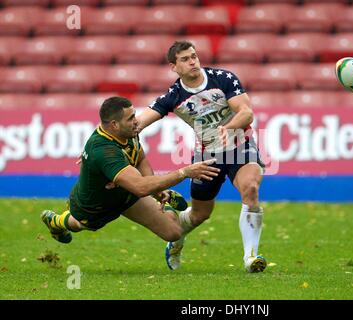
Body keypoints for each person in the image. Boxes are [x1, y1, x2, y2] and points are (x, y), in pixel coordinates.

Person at [137, 41, 267, 273]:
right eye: (185, 59)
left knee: (251, 189)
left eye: (194, 56)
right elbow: (138, 123)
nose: (192, 61)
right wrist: (102, 140)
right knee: (199, 214)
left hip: (241, 147)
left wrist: (227, 128)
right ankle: (175, 239)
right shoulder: (174, 95)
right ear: (173, 66)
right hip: (208, 156)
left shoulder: (223, 78)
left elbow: (246, 113)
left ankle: (251, 257)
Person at [41, 96, 220, 246]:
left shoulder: (128, 132)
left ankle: (160, 196)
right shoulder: (104, 151)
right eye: (130, 118)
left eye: (134, 115)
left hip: (126, 193)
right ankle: (56, 221)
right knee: (79, 224)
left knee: (174, 232)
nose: (137, 121)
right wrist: (184, 172)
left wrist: (157, 190)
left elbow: (140, 158)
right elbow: (141, 187)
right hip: (96, 205)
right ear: (114, 125)